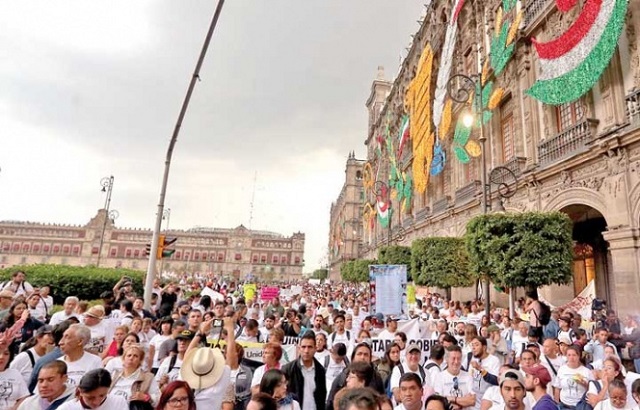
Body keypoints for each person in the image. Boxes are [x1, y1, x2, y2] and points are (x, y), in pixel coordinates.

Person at [281, 331, 326, 410]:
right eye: (303, 347)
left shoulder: (320, 370)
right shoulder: (288, 369)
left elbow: (321, 396)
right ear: (299, 348)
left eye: (310, 347)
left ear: (315, 349)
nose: (306, 351)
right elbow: (282, 394)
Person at [57, 368, 128, 410]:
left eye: (102, 395)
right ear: (80, 391)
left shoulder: (119, 402)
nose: (97, 402)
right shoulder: (66, 408)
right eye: (90, 398)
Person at [433, 345, 476, 410]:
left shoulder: (468, 376)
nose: (456, 362)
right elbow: (439, 402)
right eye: (453, 358)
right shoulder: (439, 377)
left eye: (459, 358)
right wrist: (464, 401)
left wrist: (452, 399)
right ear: (447, 359)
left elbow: (472, 401)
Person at [552, 345, 592, 409]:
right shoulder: (562, 369)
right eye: (569, 355)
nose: (571, 358)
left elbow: (592, 390)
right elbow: (557, 387)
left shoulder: (586, 371)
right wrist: (556, 403)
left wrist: (584, 384)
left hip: (581, 406)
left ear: (579, 356)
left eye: (574, 355)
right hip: (564, 405)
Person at [468, 336, 501, 409]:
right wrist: (470, 393)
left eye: (476, 345)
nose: (473, 348)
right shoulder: (473, 359)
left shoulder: (494, 360)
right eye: (472, 345)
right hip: (474, 400)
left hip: (488, 400)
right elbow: (469, 378)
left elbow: (496, 380)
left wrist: (480, 369)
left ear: (484, 347)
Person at [0, 343, 30, 409]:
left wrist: (14, 408)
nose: (1, 357)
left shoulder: (15, 373)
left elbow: (24, 397)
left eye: (6, 354)